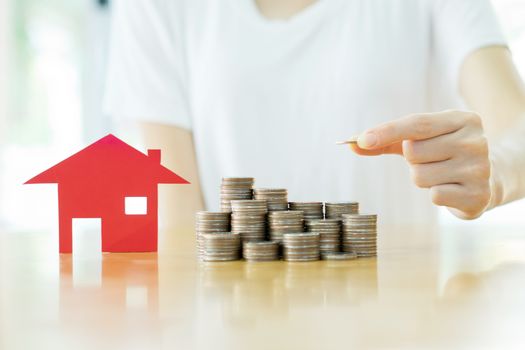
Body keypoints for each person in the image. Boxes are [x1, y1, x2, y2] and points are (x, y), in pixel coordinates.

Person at [104, 0, 525, 228]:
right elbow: (177, 217)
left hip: (398, 326)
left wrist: (495, 174)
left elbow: (517, 128)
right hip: (233, 327)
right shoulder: (153, 6)